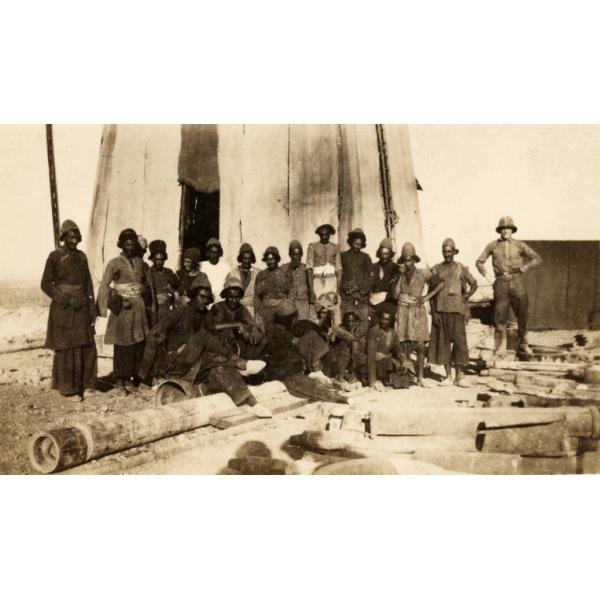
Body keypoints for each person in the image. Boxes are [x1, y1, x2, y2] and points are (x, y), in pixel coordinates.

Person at [41, 220, 98, 400]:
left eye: (76, 237)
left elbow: (88, 283)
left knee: (86, 344)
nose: (74, 241)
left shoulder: (82, 257)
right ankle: (68, 389)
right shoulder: (55, 256)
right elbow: (45, 284)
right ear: (64, 238)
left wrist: (91, 307)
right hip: (63, 309)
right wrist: (65, 299)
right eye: (70, 237)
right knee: (66, 347)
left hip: (81, 308)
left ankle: (87, 385)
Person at [476, 216, 542, 357]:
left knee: (522, 313)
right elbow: (479, 262)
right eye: (503, 228)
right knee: (500, 316)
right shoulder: (492, 245)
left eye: (508, 228)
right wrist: (488, 276)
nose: (506, 231)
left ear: (512, 230)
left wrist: (526, 267)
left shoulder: (519, 245)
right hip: (500, 282)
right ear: (500, 230)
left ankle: (523, 344)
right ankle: (501, 347)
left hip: (517, 280)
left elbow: (537, 258)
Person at [97, 228, 149, 395]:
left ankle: (130, 379)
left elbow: (146, 284)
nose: (129, 247)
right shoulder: (114, 263)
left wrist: (145, 297)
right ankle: (119, 380)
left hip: (138, 308)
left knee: (136, 344)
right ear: (121, 244)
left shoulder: (140, 263)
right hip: (123, 309)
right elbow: (105, 285)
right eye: (126, 244)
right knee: (122, 344)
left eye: (132, 243)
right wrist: (108, 305)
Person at [138, 281, 216, 382]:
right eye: (202, 296)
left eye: (207, 298)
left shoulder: (207, 315)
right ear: (193, 296)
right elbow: (156, 333)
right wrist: (145, 371)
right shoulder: (180, 311)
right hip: (175, 359)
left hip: (196, 357)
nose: (205, 301)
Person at [428, 238, 478, 387]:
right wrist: (434, 313)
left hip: (457, 312)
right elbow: (431, 293)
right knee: (443, 344)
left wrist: (466, 296)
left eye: (449, 251)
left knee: (459, 344)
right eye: (444, 251)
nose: (447, 254)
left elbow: (474, 284)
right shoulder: (436, 269)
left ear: (454, 252)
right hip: (441, 311)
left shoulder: (460, 268)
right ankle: (448, 376)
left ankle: (459, 377)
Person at [393, 242, 444, 387]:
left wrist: (426, 298)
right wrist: (399, 276)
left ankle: (420, 378)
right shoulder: (400, 274)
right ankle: (407, 376)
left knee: (420, 345)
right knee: (404, 344)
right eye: (405, 260)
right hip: (402, 310)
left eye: (410, 260)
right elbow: (396, 295)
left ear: (415, 260)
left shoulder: (422, 273)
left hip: (417, 311)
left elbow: (440, 284)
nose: (408, 263)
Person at [212, 275, 265, 358]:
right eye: (231, 297)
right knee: (228, 334)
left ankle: (244, 356)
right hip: (220, 340)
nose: (234, 300)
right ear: (225, 295)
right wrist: (238, 324)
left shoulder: (241, 308)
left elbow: (251, 322)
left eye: (237, 297)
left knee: (260, 338)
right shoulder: (218, 307)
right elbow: (214, 326)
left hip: (237, 338)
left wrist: (253, 329)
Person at [366, 305, 412, 391]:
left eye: (387, 320)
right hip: (376, 363)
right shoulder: (374, 331)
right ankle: (382, 380)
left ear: (390, 321)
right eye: (382, 318)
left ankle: (391, 380)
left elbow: (398, 350)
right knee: (390, 363)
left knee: (403, 364)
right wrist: (372, 381)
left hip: (386, 360)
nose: (384, 321)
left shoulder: (393, 333)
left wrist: (403, 360)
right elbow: (371, 357)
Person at [306, 224, 342, 323]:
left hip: (331, 282)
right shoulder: (312, 246)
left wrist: (337, 293)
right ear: (319, 235)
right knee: (316, 308)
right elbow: (309, 269)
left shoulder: (335, 247)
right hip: (317, 281)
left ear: (330, 235)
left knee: (333, 309)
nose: (324, 236)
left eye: (327, 234)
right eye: (322, 234)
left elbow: (339, 270)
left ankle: (334, 334)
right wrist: (311, 291)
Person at [340, 228, 373, 322]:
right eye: (355, 243)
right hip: (346, 297)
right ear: (350, 242)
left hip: (361, 297)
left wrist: (358, 288)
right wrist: (343, 287)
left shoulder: (366, 257)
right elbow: (339, 274)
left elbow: (370, 278)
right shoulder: (343, 256)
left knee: (362, 320)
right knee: (345, 320)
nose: (357, 246)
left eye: (360, 244)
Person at [254, 246, 293, 326]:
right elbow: (257, 297)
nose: (270, 262)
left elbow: (291, 293)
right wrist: (257, 312)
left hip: (282, 310)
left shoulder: (285, 274)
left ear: (277, 259)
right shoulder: (261, 275)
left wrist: (289, 308)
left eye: (272, 259)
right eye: (268, 259)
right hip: (266, 310)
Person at [147, 240, 180, 326]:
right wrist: (155, 298)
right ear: (152, 259)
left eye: (162, 259)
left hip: (167, 309)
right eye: (157, 259)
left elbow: (176, 288)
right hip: (153, 309)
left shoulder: (169, 272)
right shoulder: (148, 272)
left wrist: (172, 292)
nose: (160, 262)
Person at [227, 243, 260, 317]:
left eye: (249, 258)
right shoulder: (233, 273)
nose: (247, 261)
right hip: (235, 309)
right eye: (245, 258)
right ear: (240, 258)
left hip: (252, 311)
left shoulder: (258, 273)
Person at [370, 238, 400, 318]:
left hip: (389, 304)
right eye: (382, 254)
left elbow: (395, 290)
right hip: (373, 303)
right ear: (378, 254)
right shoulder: (373, 267)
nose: (384, 256)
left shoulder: (396, 268)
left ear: (391, 254)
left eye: (386, 254)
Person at [281, 240, 310, 319]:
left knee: (303, 325)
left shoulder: (306, 267)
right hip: (290, 302)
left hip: (303, 302)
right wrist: (290, 268)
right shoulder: (284, 267)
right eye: (294, 254)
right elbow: (282, 284)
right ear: (290, 255)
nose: (297, 257)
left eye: (299, 254)